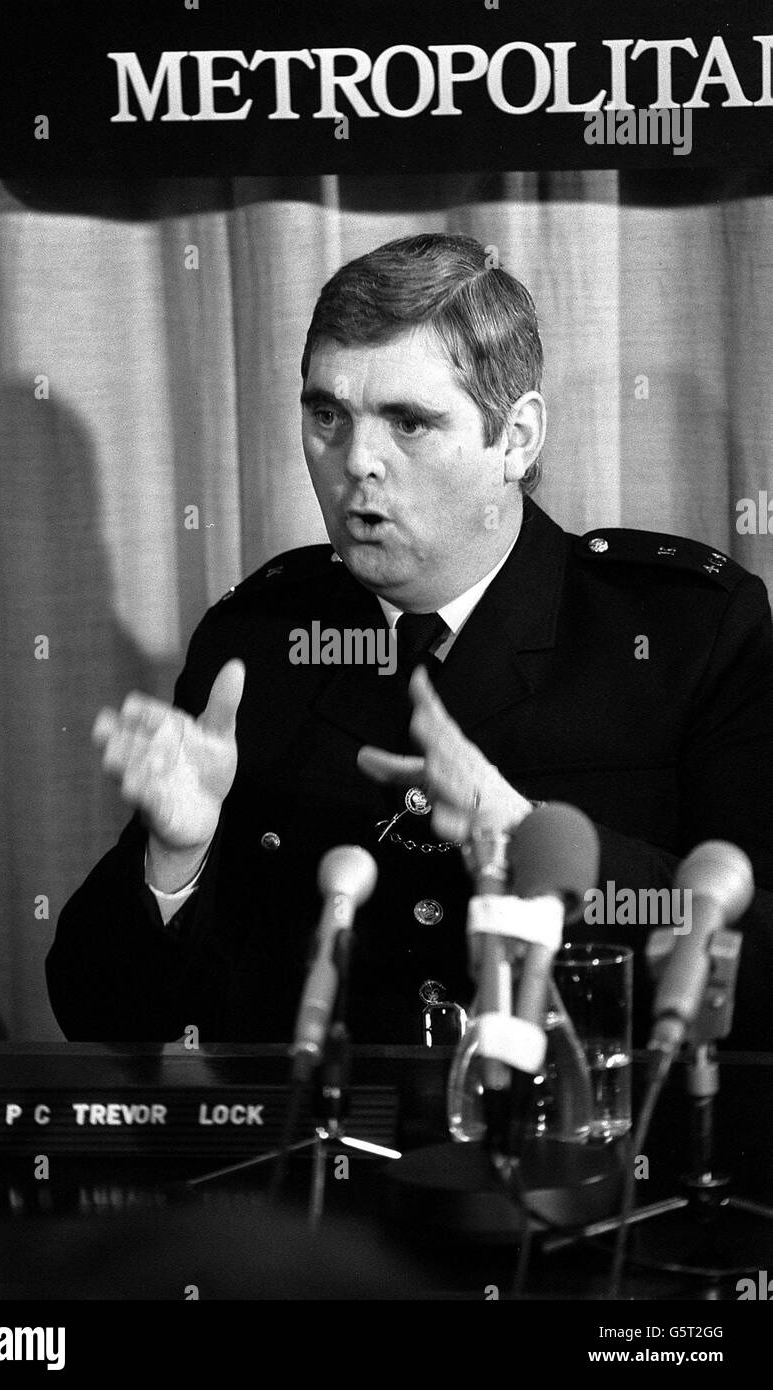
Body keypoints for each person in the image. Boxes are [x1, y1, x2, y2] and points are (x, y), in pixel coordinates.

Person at [46, 233, 773, 1049]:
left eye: (409, 423)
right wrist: (177, 858)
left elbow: (764, 967)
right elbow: (92, 1009)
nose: (356, 462)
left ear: (516, 437)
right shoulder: (258, 643)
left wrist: (530, 838)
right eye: (328, 415)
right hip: (323, 1160)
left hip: (586, 1152)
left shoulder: (684, 633)